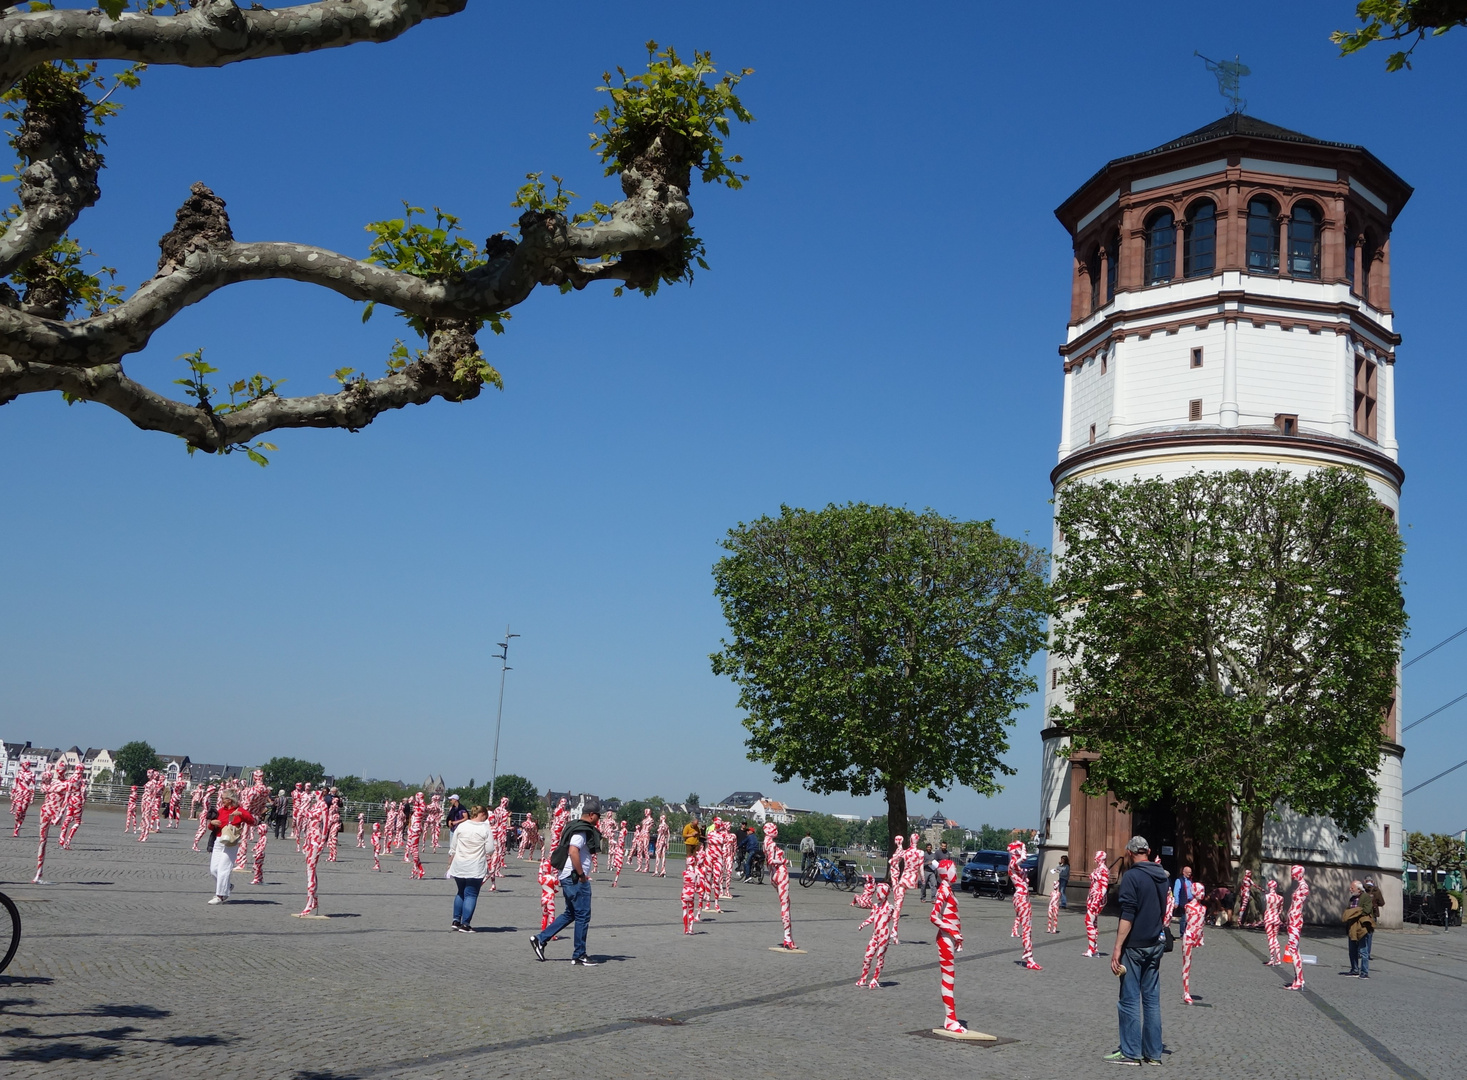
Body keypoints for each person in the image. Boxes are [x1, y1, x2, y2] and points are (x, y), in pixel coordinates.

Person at [1105, 835, 1169, 1066]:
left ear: (1131, 853)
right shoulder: (1162, 876)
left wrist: (1117, 947)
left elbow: (1128, 914)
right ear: (1148, 851)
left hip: (1136, 945)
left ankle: (1130, 1052)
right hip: (1156, 943)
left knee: (1129, 999)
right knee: (1152, 1000)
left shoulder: (1132, 876)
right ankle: (1153, 1054)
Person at [531, 796, 602, 966]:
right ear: (591, 815)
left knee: (571, 913)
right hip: (575, 877)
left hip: (568, 876)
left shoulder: (575, 826)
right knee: (583, 915)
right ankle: (579, 954)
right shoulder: (582, 830)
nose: (599, 820)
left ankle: (540, 939)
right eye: (599, 816)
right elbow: (573, 851)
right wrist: (581, 875)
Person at [446, 804, 494, 932]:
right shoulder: (485, 828)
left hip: (459, 864)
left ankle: (456, 920)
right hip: (475, 865)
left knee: (460, 892)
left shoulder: (462, 825)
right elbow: (490, 850)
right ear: (482, 814)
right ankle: (466, 924)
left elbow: (453, 846)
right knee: (471, 894)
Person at [205, 791, 257, 905]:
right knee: (213, 869)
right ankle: (227, 886)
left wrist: (241, 815)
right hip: (218, 841)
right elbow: (210, 827)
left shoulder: (239, 810)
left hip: (231, 842)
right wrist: (212, 823)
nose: (221, 800)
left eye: (223, 798)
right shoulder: (220, 810)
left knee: (223, 869)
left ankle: (220, 895)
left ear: (230, 800)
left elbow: (252, 821)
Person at [1343, 879, 1376, 978]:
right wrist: (1353, 913)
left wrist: (1354, 912)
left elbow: (1366, 910)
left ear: (1358, 889)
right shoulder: (1352, 898)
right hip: (1352, 926)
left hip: (1362, 927)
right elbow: (1347, 911)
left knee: (1363, 950)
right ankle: (1354, 969)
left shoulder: (1365, 897)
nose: (1350, 889)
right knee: (1352, 950)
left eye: (1352, 888)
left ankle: (1364, 972)